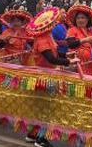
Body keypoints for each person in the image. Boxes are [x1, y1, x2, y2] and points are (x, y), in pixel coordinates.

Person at [25, 8, 80, 147]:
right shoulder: (42, 39)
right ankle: (41, 139)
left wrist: (66, 56)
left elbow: (55, 54)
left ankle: (33, 134)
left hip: (49, 74)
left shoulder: (48, 35)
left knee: (42, 108)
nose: (55, 24)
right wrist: (69, 62)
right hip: (45, 77)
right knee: (47, 109)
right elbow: (51, 59)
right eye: (53, 23)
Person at [65, 5, 92, 74]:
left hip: (88, 64)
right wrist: (85, 40)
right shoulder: (72, 30)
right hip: (75, 65)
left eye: (82, 18)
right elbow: (70, 44)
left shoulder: (90, 33)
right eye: (78, 18)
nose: (80, 20)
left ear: (87, 20)